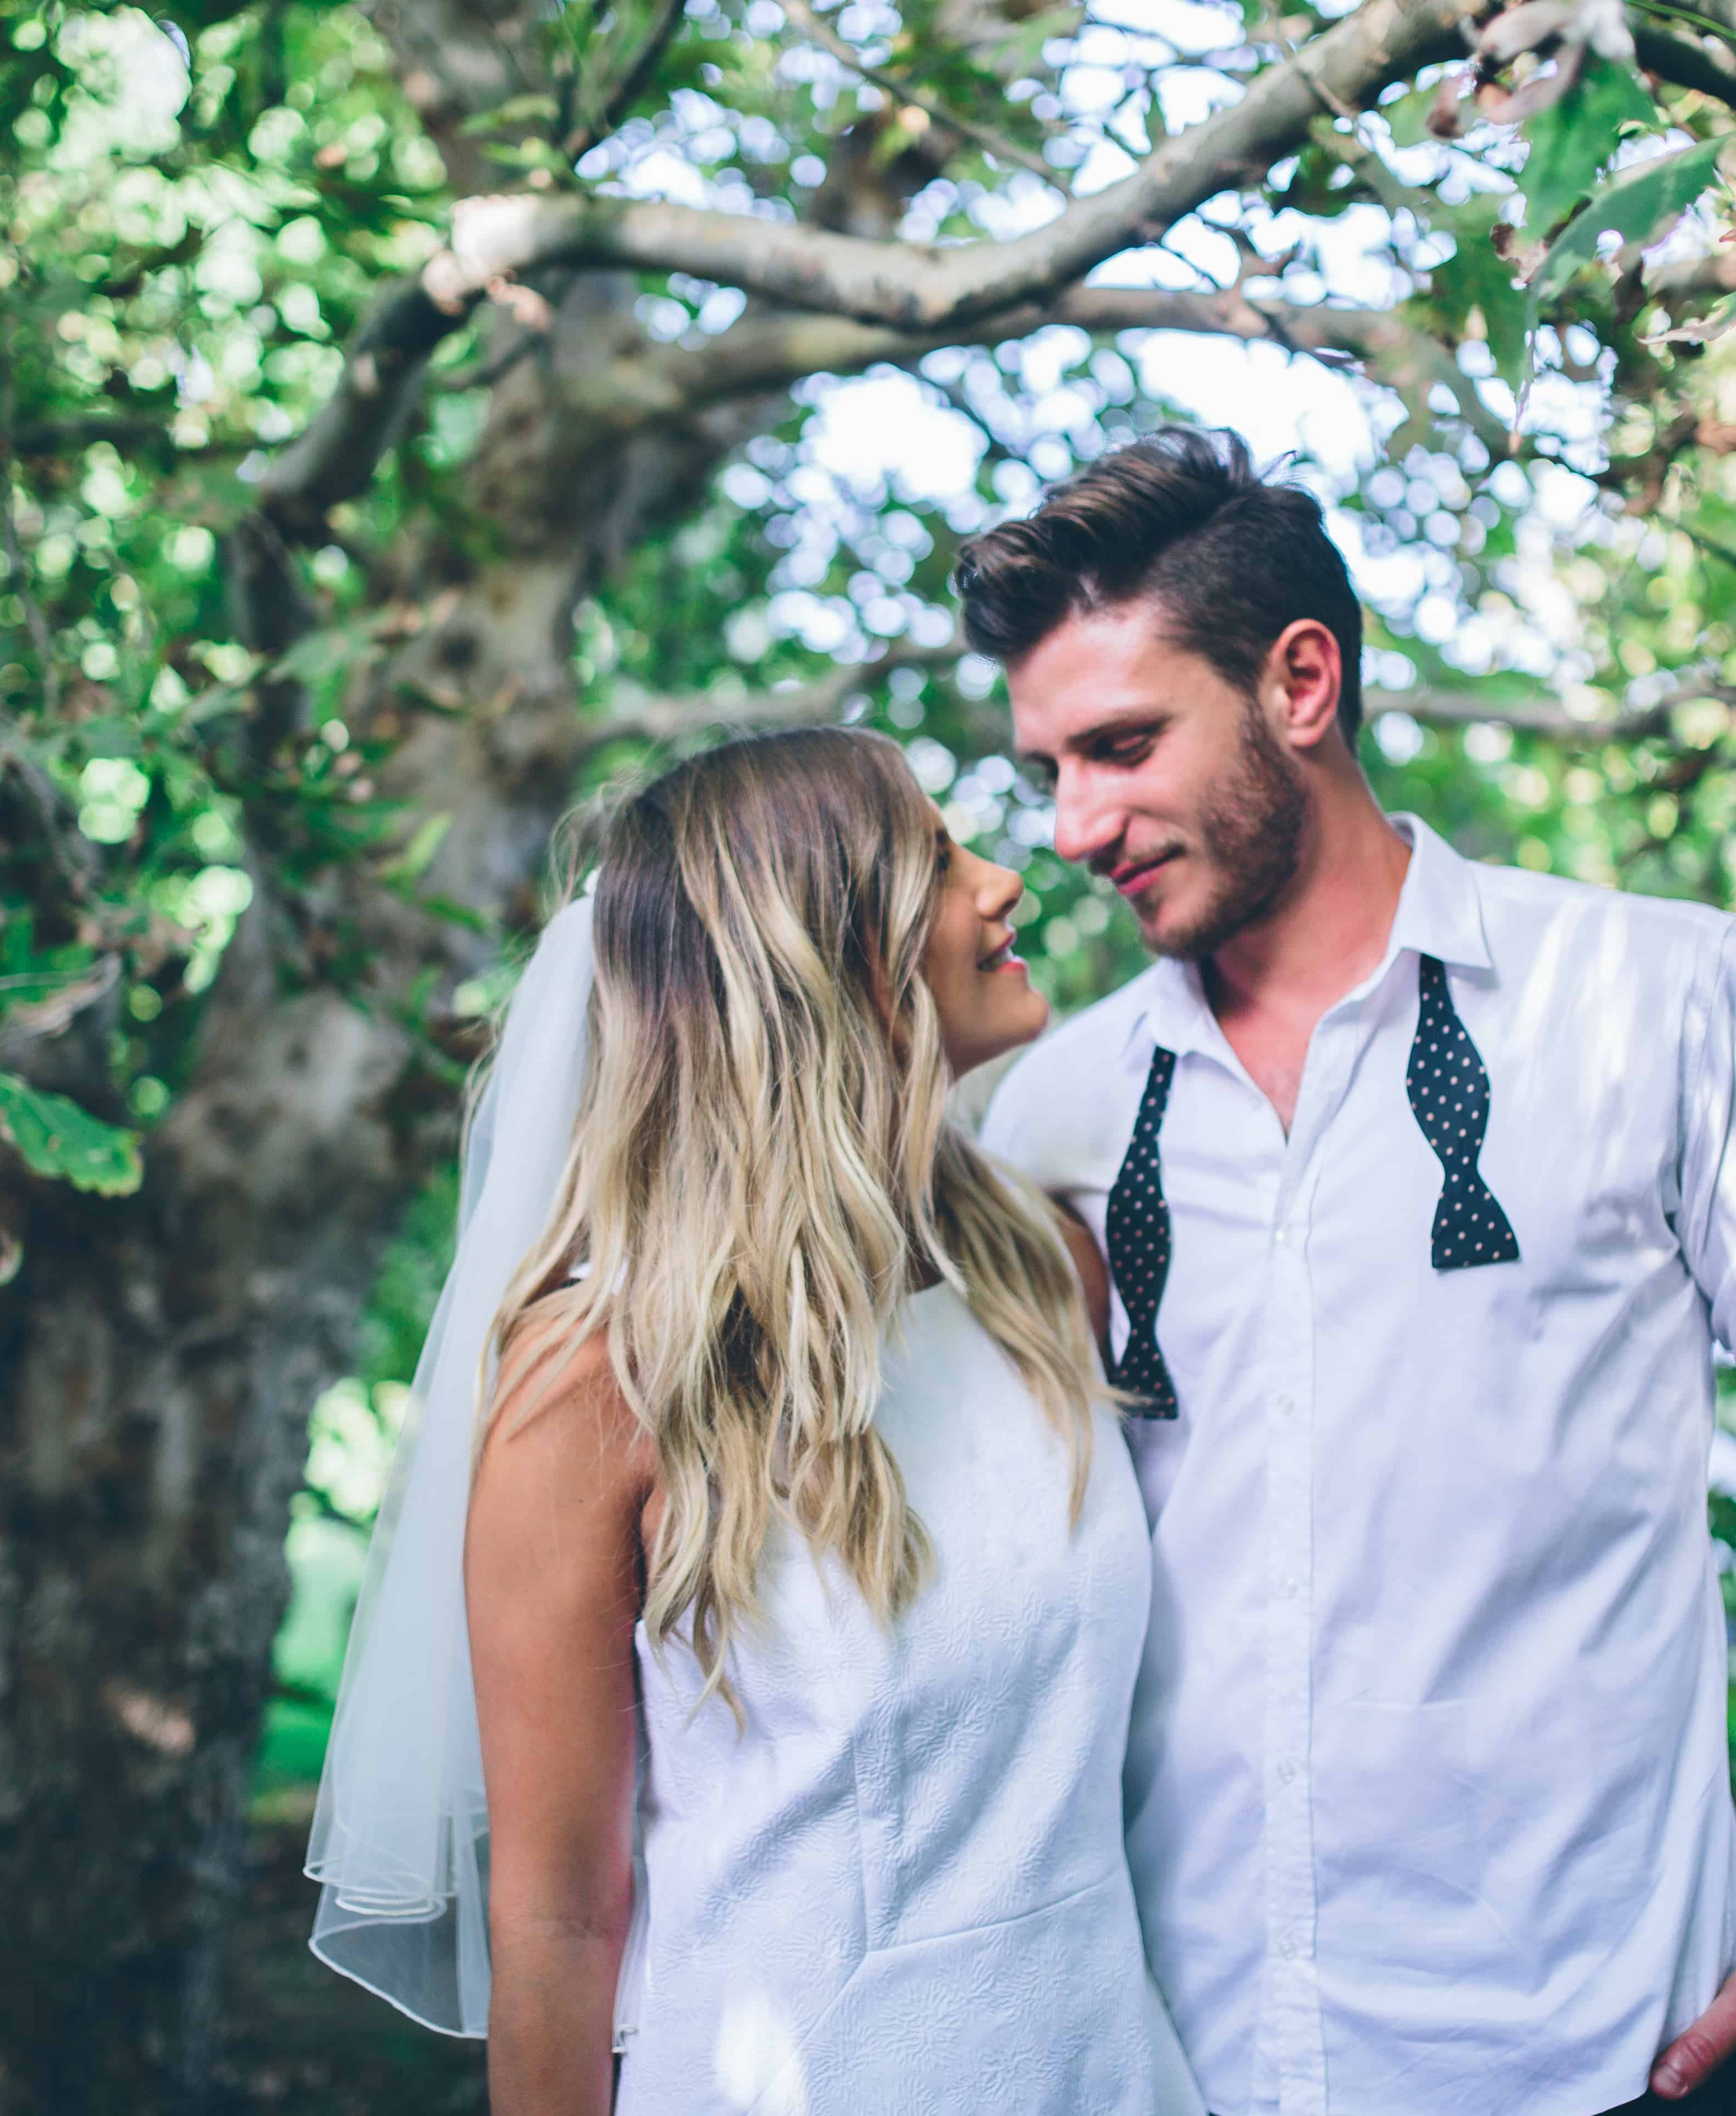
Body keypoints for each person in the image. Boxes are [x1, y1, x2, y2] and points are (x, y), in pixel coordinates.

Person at [964, 430, 1736, 2116]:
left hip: (1591, 2053)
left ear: (1302, 683)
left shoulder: (1661, 1002)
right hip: (1181, 2059)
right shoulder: (1057, 1107)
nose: (1076, 825)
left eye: (1124, 746)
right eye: (1050, 768)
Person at [304, 727, 1203, 2115]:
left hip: (1106, 2071)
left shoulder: (1043, 1277)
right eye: (936, 864)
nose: (1005, 881)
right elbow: (558, 1921)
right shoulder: (596, 1388)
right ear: (815, 959)